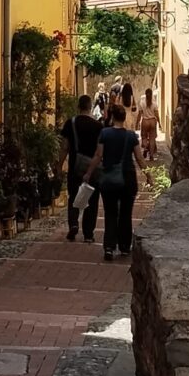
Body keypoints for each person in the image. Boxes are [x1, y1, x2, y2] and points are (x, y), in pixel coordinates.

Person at [83, 103, 147, 261]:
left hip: (109, 178)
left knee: (110, 213)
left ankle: (109, 247)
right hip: (128, 178)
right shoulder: (131, 136)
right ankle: (125, 246)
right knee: (126, 213)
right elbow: (139, 158)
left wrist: (89, 173)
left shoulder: (105, 133)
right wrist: (149, 176)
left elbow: (98, 156)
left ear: (112, 117)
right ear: (124, 118)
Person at [58, 95, 103, 243]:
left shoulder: (70, 123)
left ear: (79, 106)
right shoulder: (97, 126)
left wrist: (59, 164)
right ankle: (88, 234)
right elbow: (99, 151)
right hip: (92, 167)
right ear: (90, 107)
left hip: (75, 166)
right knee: (92, 198)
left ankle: (73, 224)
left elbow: (64, 147)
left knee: (74, 196)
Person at [137, 88, 158, 161]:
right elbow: (156, 114)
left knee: (144, 137)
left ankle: (145, 148)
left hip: (145, 121)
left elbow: (139, 114)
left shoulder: (142, 103)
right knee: (152, 139)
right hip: (152, 121)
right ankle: (151, 156)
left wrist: (137, 122)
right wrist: (159, 122)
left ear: (145, 94)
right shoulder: (154, 103)